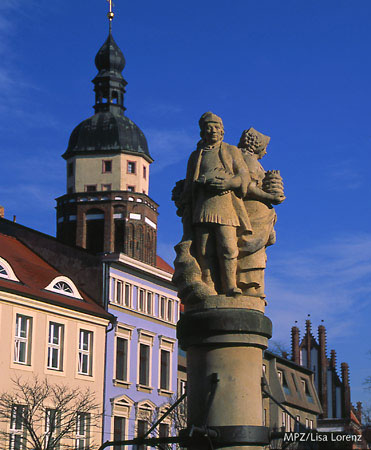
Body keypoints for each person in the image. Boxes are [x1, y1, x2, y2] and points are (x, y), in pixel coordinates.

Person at [178, 112, 252, 296]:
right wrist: (185, 199)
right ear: (202, 132)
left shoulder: (230, 151)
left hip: (225, 206)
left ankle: (230, 286)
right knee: (203, 250)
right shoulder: (196, 156)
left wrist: (228, 183)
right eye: (208, 128)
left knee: (228, 246)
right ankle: (209, 286)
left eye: (216, 127)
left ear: (222, 131)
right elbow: (189, 184)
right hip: (202, 207)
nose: (212, 131)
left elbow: (244, 176)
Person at [237, 127, 285, 297]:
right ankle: (249, 285)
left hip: (259, 214)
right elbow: (247, 186)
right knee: (251, 251)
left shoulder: (252, 161)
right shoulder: (247, 160)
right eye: (264, 147)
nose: (265, 151)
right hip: (251, 213)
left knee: (257, 252)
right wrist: (270, 197)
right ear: (256, 145)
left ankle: (254, 287)